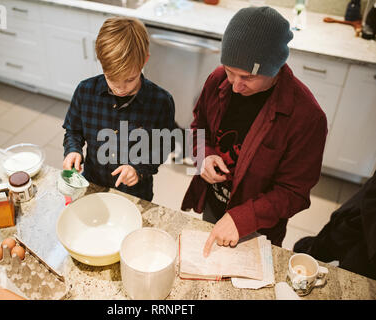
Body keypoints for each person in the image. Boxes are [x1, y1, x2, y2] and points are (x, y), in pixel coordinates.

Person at [180, 6, 328, 256]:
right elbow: (198, 126)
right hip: (214, 204)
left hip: (259, 227)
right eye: (229, 71)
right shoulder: (218, 80)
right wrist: (203, 154)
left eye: (247, 77)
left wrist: (243, 218)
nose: (236, 86)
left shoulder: (306, 117)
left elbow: (294, 193)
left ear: (275, 68)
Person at [62, 17, 175, 201]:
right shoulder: (85, 91)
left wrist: (138, 169)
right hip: (94, 185)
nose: (121, 88)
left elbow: (162, 147)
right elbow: (73, 130)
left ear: (144, 60)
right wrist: (73, 150)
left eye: (130, 79)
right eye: (112, 79)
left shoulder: (161, 102)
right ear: (101, 63)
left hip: (135, 194)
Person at [294, 171, 376, 280]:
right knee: (323, 244)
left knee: (347, 277)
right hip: (357, 219)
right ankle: (308, 250)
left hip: (366, 260)